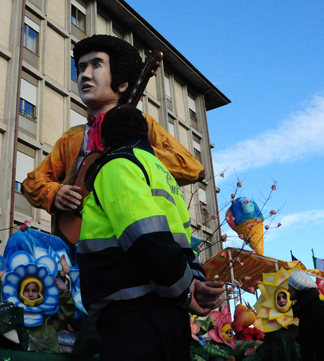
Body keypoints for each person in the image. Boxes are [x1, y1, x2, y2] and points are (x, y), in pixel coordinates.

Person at [77, 106, 223, 361]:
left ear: (102, 139)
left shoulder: (118, 165)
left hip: (133, 315)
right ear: (145, 135)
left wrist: (187, 293)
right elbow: (184, 244)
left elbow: (145, 237)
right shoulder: (164, 175)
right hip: (172, 319)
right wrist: (195, 282)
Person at [22, 35, 204, 223]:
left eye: (96, 65)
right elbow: (31, 183)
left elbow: (191, 168)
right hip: (77, 234)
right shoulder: (71, 138)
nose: (85, 75)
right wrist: (55, 192)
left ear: (122, 84)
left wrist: (131, 149)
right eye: (82, 67)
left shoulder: (143, 124)